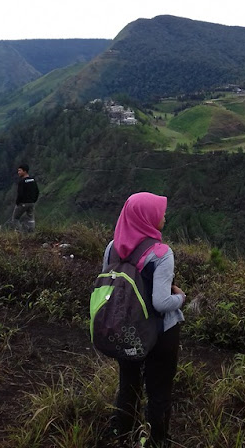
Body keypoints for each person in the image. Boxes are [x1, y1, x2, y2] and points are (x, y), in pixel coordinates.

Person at [100, 192, 185, 448]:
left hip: (125, 328)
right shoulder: (161, 253)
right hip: (160, 333)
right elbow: (161, 302)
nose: (164, 216)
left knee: (128, 381)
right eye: (160, 212)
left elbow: (109, 285)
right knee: (159, 389)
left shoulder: (112, 247)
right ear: (147, 217)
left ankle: (122, 430)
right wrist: (180, 298)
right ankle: (155, 440)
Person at [12, 164, 39, 232]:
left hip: (23, 203)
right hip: (31, 203)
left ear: (25, 171)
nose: (18, 172)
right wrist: (34, 200)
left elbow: (20, 194)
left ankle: (20, 233)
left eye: (20, 170)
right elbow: (37, 191)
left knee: (15, 219)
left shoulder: (22, 182)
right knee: (31, 219)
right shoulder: (33, 180)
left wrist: (18, 202)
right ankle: (31, 233)